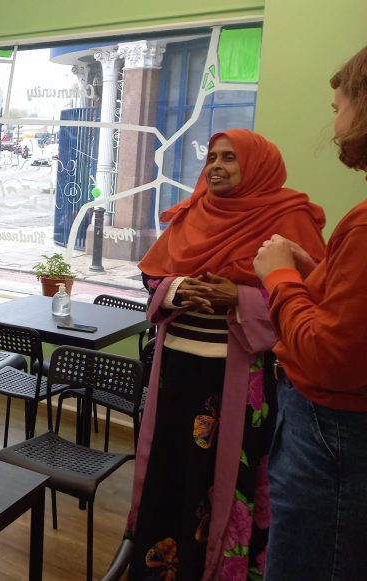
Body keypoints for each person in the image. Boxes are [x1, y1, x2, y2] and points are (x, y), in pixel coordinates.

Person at [126, 129, 328, 580]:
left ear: (257, 166)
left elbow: (311, 302)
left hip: (239, 379)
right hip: (175, 374)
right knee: (170, 469)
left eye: (230, 159)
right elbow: (154, 277)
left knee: (220, 481)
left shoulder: (289, 219)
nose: (216, 166)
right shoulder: (192, 213)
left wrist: (237, 298)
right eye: (212, 157)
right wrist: (179, 289)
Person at [254, 45, 367, 580]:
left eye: (340, 101)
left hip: (332, 431)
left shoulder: (298, 214)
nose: (334, 115)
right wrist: (313, 276)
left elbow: (331, 354)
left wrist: (276, 278)